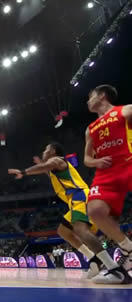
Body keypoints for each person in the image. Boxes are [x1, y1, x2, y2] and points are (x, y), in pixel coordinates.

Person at [8, 142, 117, 280]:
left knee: (81, 230)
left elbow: (45, 166)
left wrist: (23, 172)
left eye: (46, 149)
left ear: (53, 151)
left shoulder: (57, 160)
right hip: (74, 201)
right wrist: (42, 164)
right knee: (63, 231)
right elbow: (48, 171)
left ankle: (112, 266)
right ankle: (93, 259)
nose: (44, 151)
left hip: (80, 196)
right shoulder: (55, 168)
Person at [84, 84, 132, 283]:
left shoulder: (126, 110)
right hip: (105, 173)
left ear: (102, 96)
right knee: (94, 211)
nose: (88, 101)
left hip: (128, 163)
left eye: (90, 96)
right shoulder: (90, 128)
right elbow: (86, 158)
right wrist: (96, 162)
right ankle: (128, 248)